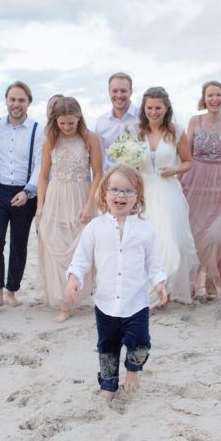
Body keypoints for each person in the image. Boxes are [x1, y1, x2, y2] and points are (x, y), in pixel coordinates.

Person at [66, 165, 167, 400]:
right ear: (105, 194)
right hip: (106, 303)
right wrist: (73, 278)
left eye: (128, 191)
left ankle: (133, 370)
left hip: (136, 302)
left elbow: (154, 263)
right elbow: (81, 258)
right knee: (107, 348)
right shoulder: (95, 227)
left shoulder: (145, 230)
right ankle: (108, 385)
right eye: (115, 190)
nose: (121, 195)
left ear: (137, 197)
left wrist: (160, 283)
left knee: (140, 343)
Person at [36, 97, 103, 322]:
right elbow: (43, 175)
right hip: (56, 197)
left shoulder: (90, 138)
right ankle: (64, 304)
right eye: (62, 123)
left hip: (81, 196)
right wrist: (40, 205)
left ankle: (77, 295)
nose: (66, 127)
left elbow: (98, 174)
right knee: (56, 250)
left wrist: (90, 204)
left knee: (79, 249)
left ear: (79, 118)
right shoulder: (50, 139)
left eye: (71, 123)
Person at [129, 87, 198, 304]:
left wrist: (174, 170)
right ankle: (150, 291)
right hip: (143, 192)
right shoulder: (134, 132)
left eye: (158, 108)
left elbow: (188, 162)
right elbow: (128, 163)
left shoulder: (176, 132)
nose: (153, 112)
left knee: (172, 243)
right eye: (149, 108)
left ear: (166, 108)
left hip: (168, 191)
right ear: (144, 108)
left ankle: (166, 287)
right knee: (145, 243)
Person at [0, 82, 45, 309]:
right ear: (6, 101)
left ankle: (11, 291)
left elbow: (40, 165)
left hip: (25, 193)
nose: (16, 104)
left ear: (28, 102)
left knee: (19, 244)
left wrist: (28, 191)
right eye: (12, 99)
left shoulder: (38, 129)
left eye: (21, 100)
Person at [181, 81, 221, 301]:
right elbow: (186, 154)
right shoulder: (194, 121)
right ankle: (194, 282)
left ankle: (211, 280)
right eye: (210, 95)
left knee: (217, 235)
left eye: (218, 95)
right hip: (195, 184)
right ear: (203, 98)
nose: (214, 99)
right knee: (194, 234)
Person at [95, 72, 139, 170]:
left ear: (131, 92)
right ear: (109, 92)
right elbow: (101, 155)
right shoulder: (101, 122)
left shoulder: (143, 116)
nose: (119, 95)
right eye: (114, 91)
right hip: (110, 177)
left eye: (123, 91)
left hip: (140, 177)